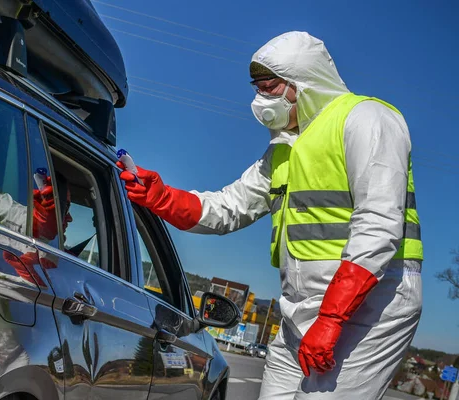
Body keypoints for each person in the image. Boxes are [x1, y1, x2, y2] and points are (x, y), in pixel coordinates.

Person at [118, 31, 422, 399]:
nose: (261, 99)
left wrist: (331, 320)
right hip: (302, 309)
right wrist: (160, 196)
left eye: (270, 87)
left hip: (369, 306)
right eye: (258, 88)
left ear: (304, 84)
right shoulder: (284, 148)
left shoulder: (367, 119)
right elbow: (227, 207)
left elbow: (378, 228)